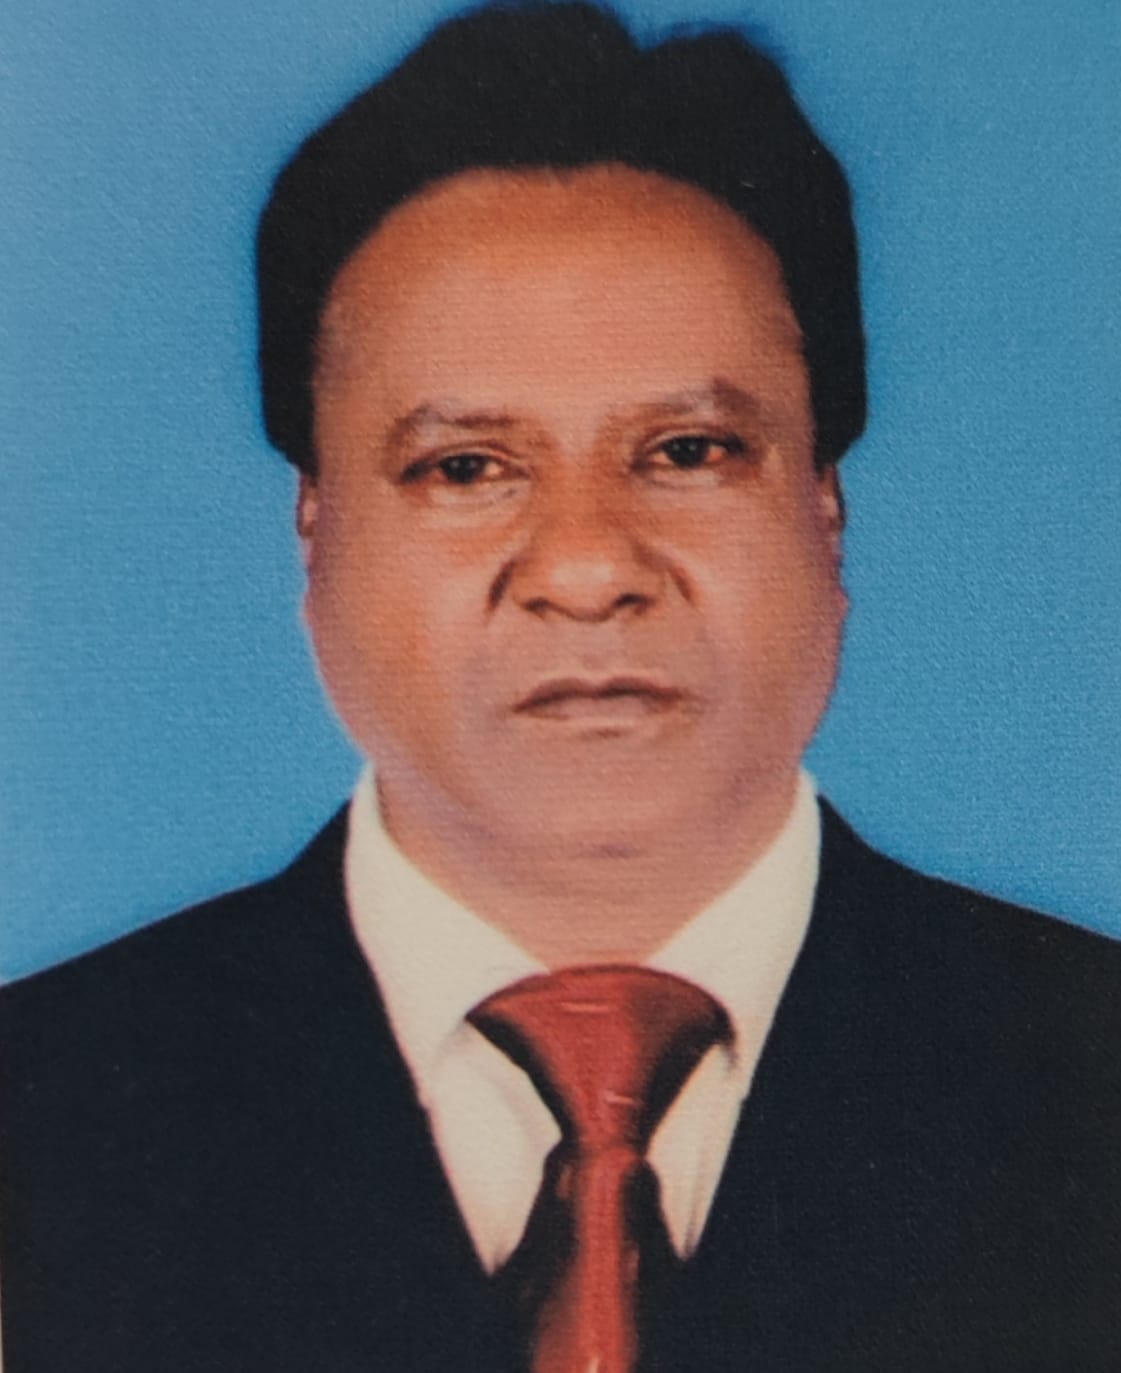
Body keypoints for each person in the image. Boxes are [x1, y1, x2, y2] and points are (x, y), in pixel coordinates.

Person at [1, 4, 1117, 1370]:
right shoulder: (36, 1115)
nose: (587, 569)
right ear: (314, 527)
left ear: (825, 508)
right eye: (466, 467)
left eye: (691, 450)